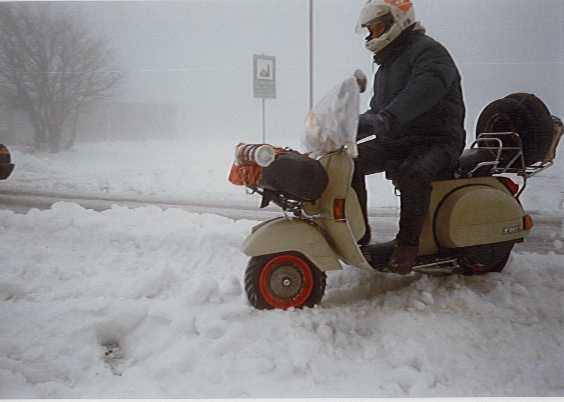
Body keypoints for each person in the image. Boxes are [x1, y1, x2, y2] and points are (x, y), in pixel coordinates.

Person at [353, 0, 466, 274]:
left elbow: (421, 93)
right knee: (349, 162)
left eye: (376, 28)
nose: (372, 35)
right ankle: (358, 235)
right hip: (401, 138)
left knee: (413, 172)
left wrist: (388, 119)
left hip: (437, 139)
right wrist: (349, 127)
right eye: (369, 29)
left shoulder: (430, 53)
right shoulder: (386, 65)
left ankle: (407, 247)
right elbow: (379, 110)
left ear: (396, 22)